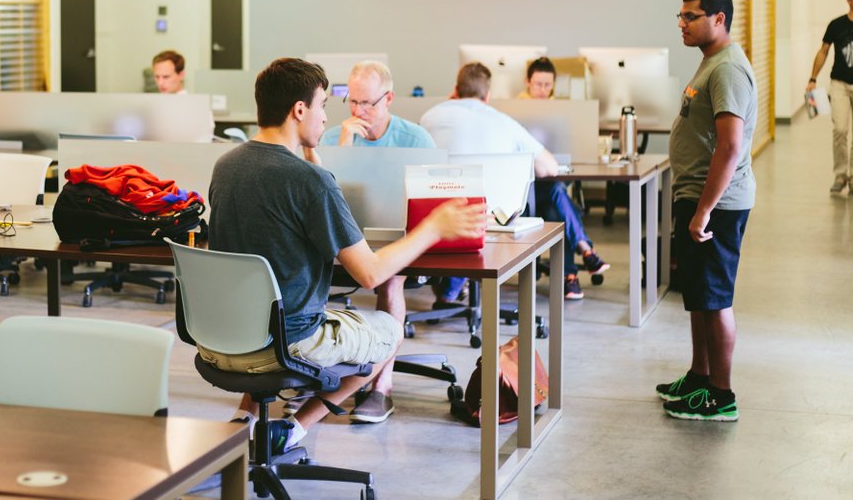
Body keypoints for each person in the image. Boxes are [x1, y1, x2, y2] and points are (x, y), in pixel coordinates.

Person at [204, 58, 486, 451]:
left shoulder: (226, 166)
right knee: (390, 331)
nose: (326, 117)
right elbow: (370, 274)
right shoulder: (311, 182)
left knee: (271, 315)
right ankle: (293, 430)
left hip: (223, 339)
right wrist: (434, 227)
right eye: (322, 105)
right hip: (292, 342)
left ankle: (245, 418)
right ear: (299, 110)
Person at [316, 60, 443, 423]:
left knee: (390, 280)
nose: (358, 111)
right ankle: (314, 380)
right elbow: (321, 202)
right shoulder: (332, 138)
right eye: (353, 102)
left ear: (388, 98)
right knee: (304, 270)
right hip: (344, 239)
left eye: (367, 103)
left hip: (394, 239)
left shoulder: (416, 140)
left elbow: (431, 203)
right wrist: (344, 149)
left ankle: (381, 387)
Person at [420, 62, 609, 300]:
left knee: (553, 195)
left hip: (441, 211)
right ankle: (581, 255)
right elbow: (549, 167)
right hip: (495, 216)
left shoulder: (429, 118)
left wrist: (450, 104)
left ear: (455, 91)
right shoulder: (503, 122)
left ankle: (449, 292)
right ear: (487, 96)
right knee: (554, 191)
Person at [658, 0, 756, 422]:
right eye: (680, 16)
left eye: (690, 16)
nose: (682, 24)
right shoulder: (711, 61)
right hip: (699, 196)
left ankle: (721, 395)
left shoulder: (727, 68)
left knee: (715, 298)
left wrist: (703, 210)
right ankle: (700, 377)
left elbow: (730, 146)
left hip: (717, 202)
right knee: (699, 294)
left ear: (719, 18)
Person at [806, 0, 853, 195]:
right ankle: (841, 175)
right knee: (840, 130)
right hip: (839, 84)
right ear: (849, 0)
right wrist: (812, 78)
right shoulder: (837, 25)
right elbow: (823, 51)